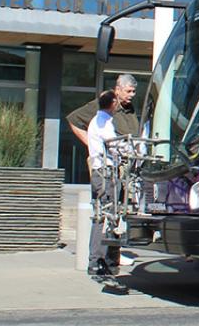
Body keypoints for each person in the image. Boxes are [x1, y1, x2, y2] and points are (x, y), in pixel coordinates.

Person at [69, 74, 139, 270]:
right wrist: (96, 150)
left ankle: (110, 258)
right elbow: (75, 121)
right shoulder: (103, 117)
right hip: (107, 170)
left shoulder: (122, 112)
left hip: (118, 170)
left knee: (115, 215)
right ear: (115, 95)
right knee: (105, 214)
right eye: (128, 91)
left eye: (134, 91)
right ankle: (98, 260)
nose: (132, 95)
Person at [86, 90, 120, 277]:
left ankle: (98, 261)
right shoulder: (104, 122)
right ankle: (100, 261)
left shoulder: (96, 121)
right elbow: (114, 146)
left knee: (101, 216)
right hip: (104, 174)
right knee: (106, 217)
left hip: (99, 173)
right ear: (113, 103)